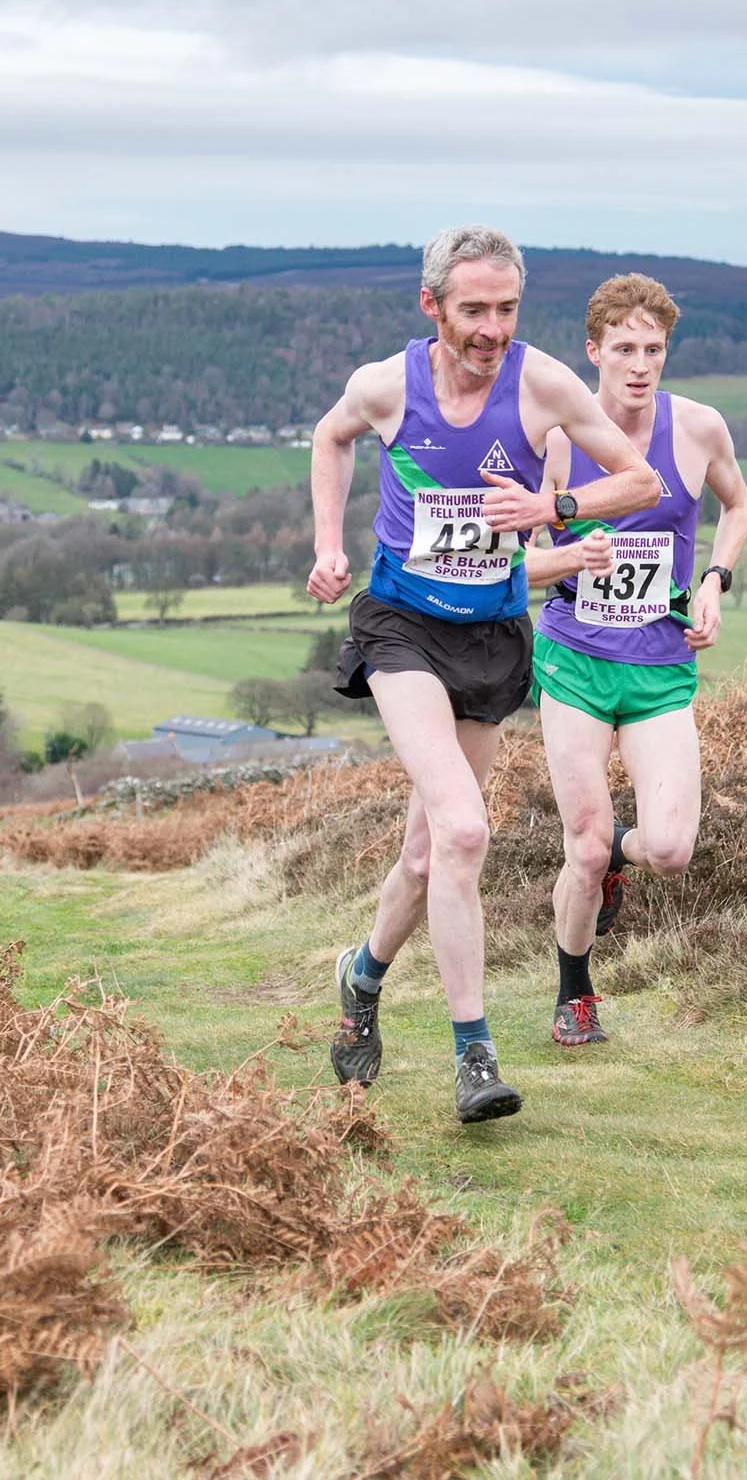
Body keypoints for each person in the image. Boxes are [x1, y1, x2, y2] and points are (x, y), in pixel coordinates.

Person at [306, 225, 660, 1124]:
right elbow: (330, 436)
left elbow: (643, 482)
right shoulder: (388, 385)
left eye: (506, 309)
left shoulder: (542, 383)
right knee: (465, 832)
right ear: (432, 306)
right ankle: (475, 1054)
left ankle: (363, 974)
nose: (492, 328)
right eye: (473, 310)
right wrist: (326, 544)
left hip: (494, 638)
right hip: (401, 630)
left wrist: (554, 507)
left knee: (427, 856)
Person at [523, 274, 747, 1046]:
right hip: (575, 660)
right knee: (582, 847)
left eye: (653, 348)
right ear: (593, 352)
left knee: (670, 849)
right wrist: (568, 559)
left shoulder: (697, 429)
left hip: (659, 663)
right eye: (623, 348)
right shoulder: (555, 439)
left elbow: (739, 503)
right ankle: (574, 989)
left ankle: (623, 853)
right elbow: (517, 559)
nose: (639, 364)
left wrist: (716, 580)